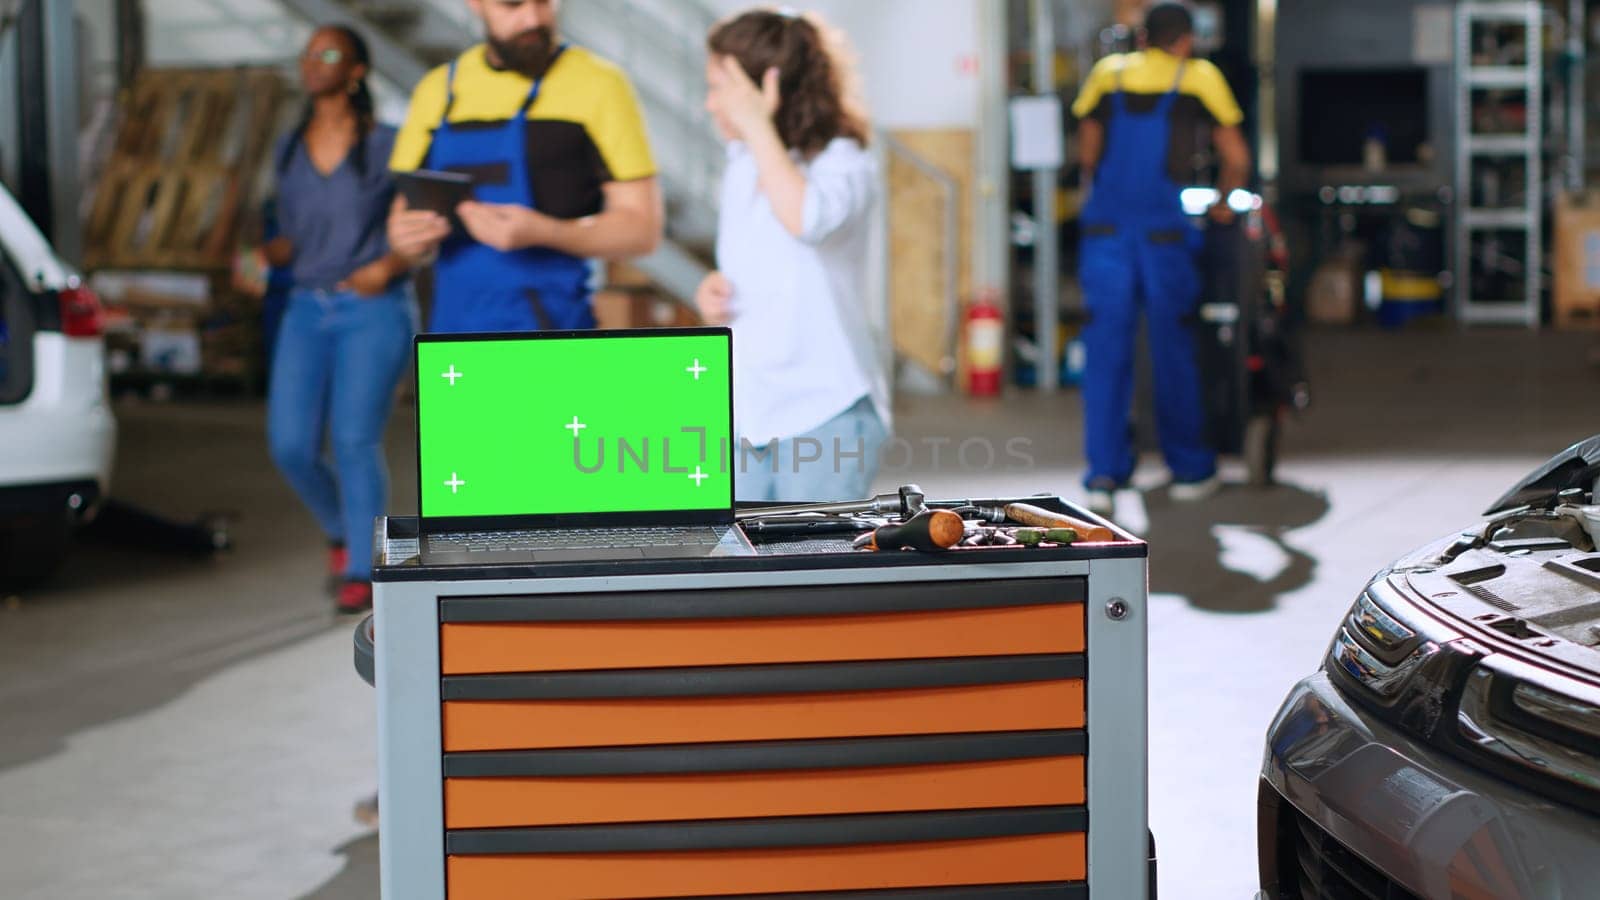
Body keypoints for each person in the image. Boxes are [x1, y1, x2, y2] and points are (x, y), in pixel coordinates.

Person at [694, 8, 889, 502]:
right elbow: (768, 264)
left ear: (763, 91)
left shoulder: (845, 160)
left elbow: (806, 219)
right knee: (742, 574)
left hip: (825, 413)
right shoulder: (742, 165)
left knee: (813, 574)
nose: (709, 104)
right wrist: (715, 291)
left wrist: (759, 126)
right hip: (748, 411)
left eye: (721, 89)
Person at [1071, 1, 1250, 515]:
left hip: (1107, 232)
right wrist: (1220, 203)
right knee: (1173, 346)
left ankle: (1103, 475)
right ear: (1186, 40)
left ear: (1144, 38)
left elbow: (1087, 154)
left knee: (1106, 351)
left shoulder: (1108, 74)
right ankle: (1190, 469)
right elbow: (1236, 159)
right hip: (1164, 236)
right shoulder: (1199, 77)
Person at [386, 0, 662, 333]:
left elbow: (642, 229)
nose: (533, 18)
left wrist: (548, 232)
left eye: (544, 2)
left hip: (553, 330)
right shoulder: (436, 91)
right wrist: (407, 240)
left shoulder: (601, 84)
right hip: (452, 334)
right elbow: (401, 217)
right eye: (512, 4)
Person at [264, 25, 416, 614]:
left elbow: (418, 235)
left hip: (371, 308)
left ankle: (363, 565)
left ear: (356, 71)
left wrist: (390, 264)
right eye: (307, 53)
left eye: (327, 53)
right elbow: (294, 238)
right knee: (290, 445)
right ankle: (341, 528)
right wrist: (263, 256)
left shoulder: (389, 145)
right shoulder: (289, 145)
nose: (312, 62)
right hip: (305, 306)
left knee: (354, 440)